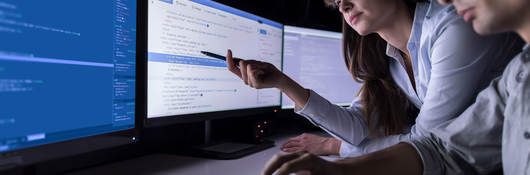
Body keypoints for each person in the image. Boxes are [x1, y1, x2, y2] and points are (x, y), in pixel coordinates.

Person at [260, 0, 530, 174]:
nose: (342, 6)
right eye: (336, 2)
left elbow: (430, 141)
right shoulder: (390, 59)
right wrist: (283, 83)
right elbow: (441, 149)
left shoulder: (454, 26)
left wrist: (335, 147)